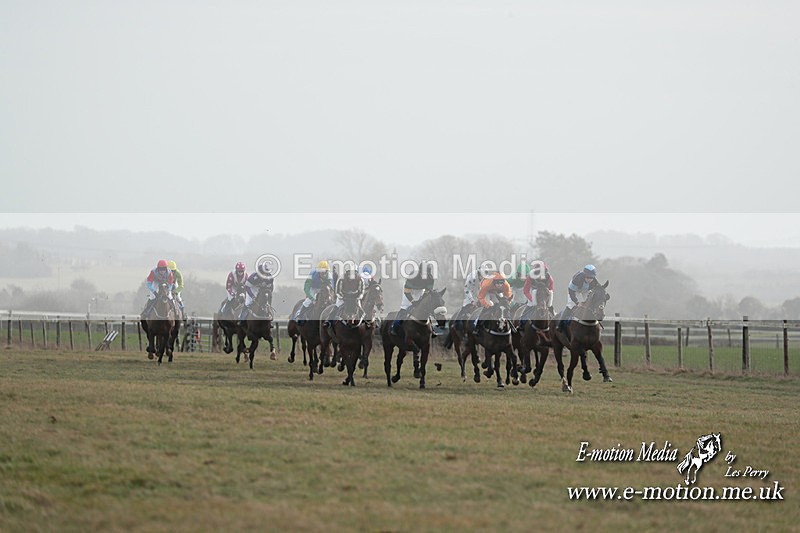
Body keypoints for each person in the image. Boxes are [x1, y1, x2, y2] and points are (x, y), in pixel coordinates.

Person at [390, 262, 435, 335]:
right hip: (409, 291)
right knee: (405, 308)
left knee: (424, 308)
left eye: (426, 273)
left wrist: (421, 301)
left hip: (421, 291)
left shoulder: (430, 278)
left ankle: (432, 329)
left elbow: (427, 292)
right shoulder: (412, 276)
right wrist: (413, 301)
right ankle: (394, 327)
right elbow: (407, 291)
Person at [558, 264, 600, 332]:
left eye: (591, 278)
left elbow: (598, 290)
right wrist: (577, 302)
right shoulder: (577, 279)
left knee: (589, 304)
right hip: (574, 290)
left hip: (585, 290)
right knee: (570, 305)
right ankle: (560, 324)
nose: (589, 279)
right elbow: (571, 292)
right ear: (584, 275)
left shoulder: (594, 282)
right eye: (588, 277)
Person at [520, 260, 555, 325]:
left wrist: (547, 300)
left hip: (545, 294)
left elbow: (551, 290)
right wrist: (532, 300)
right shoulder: (530, 277)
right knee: (528, 309)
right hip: (534, 293)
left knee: (552, 310)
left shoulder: (549, 278)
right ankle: (521, 324)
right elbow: (526, 291)